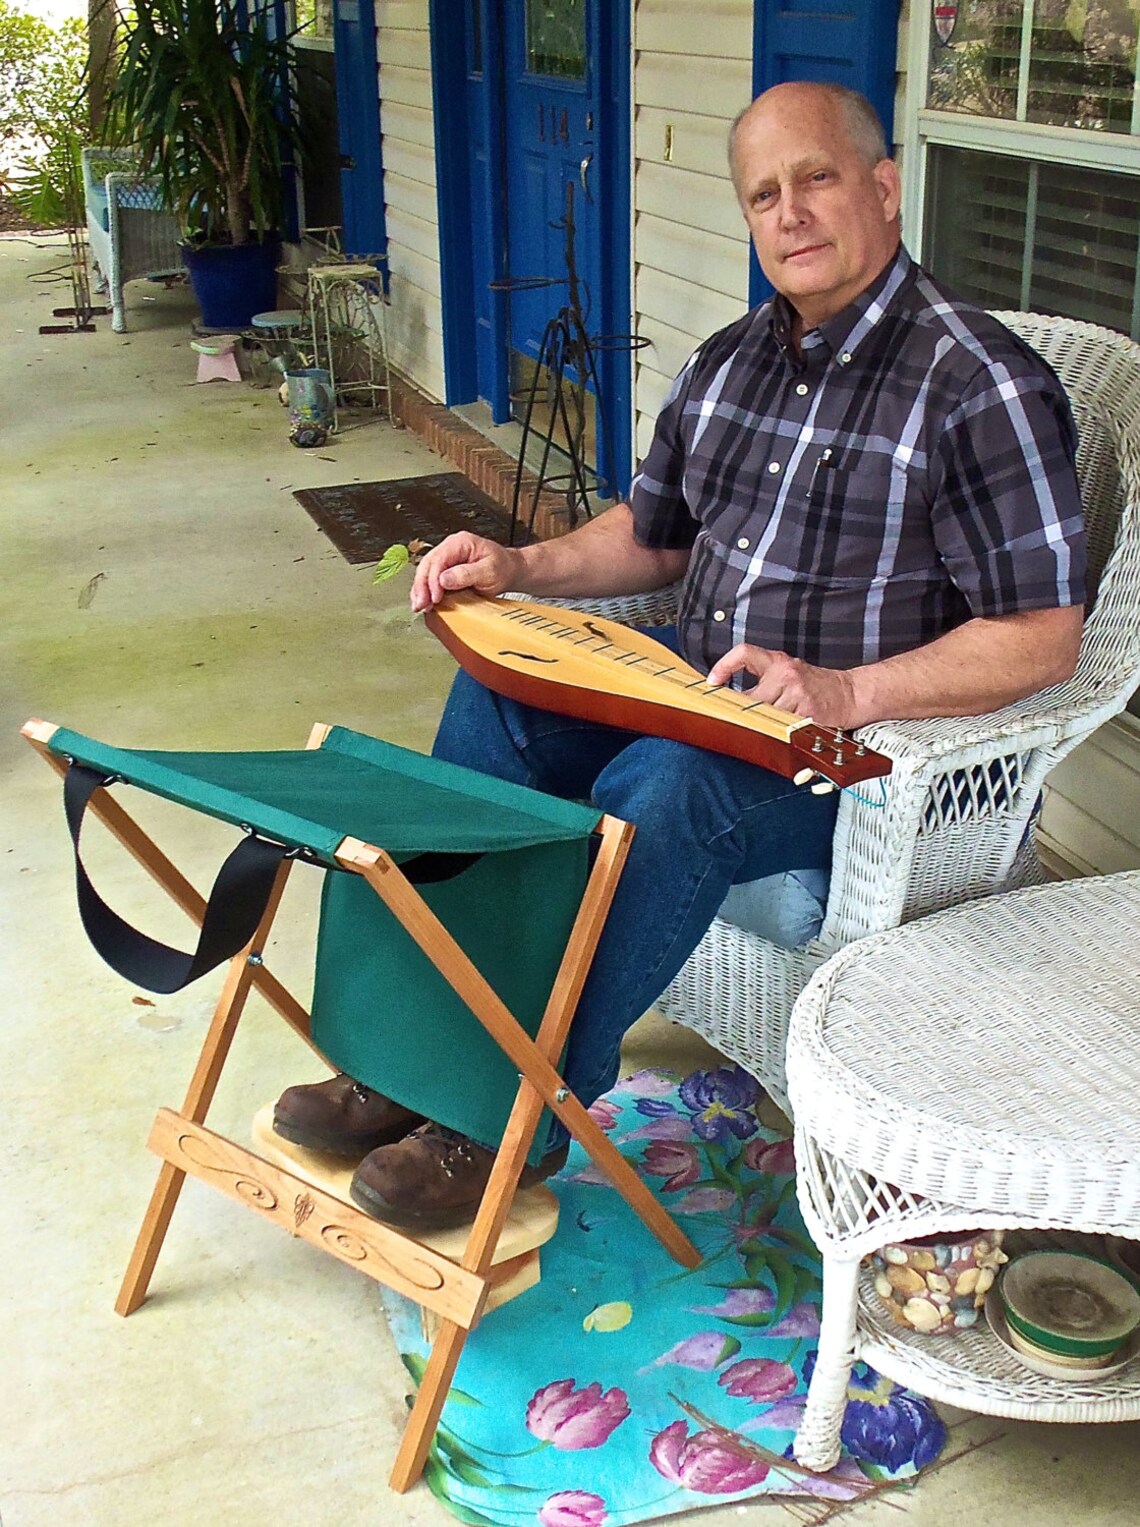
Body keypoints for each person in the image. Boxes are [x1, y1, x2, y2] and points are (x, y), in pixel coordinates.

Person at [274, 81, 1086, 1228]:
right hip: (691, 694)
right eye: (764, 194)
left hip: (846, 755)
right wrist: (517, 567)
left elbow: (1045, 640)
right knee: (496, 707)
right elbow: (651, 541)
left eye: (816, 179)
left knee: (665, 785)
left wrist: (848, 690)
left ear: (885, 189)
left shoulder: (978, 386)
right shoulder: (733, 363)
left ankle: (512, 1113)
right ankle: (414, 1058)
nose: (791, 214)